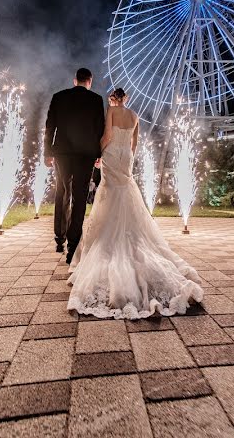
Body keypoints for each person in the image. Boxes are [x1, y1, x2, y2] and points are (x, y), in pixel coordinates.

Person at [67, 87, 203, 319]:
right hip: (126, 157)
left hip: (111, 154)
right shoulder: (134, 115)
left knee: (109, 193)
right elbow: (134, 144)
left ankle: (109, 233)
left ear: (113, 99)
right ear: (126, 99)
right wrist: (126, 158)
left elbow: (108, 136)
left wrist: (98, 153)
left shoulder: (110, 110)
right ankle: (130, 230)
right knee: (126, 191)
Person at [45, 68, 105, 263]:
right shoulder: (96, 100)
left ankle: (59, 238)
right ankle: (73, 247)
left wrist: (47, 152)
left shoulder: (59, 97)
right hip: (85, 154)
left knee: (62, 192)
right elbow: (100, 130)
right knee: (79, 198)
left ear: (75, 80)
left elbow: (50, 126)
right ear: (90, 81)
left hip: (62, 152)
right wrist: (99, 154)